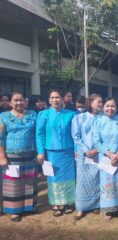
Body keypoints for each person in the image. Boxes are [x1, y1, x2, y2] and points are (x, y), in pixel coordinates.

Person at [36, 89, 76, 217]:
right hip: (51, 152)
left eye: (57, 97)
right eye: (52, 97)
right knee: (54, 178)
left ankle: (69, 202)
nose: (55, 100)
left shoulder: (71, 114)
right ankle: (56, 204)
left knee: (69, 177)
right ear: (48, 100)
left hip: (68, 152)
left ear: (62, 99)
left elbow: (75, 135)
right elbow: (40, 134)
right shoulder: (43, 114)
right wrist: (41, 152)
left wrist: (76, 150)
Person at [0, 92, 38, 222]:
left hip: (30, 154)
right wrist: (2, 157)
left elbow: (38, 133)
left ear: (25, 101)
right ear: (10, 102)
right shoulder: (4, 116)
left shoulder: (32, 114)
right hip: (12, 156)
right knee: (13, 183)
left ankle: (29, 207)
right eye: (15, 100)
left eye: (21, 100)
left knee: (29, 182)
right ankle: (14, 211)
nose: (18, 103)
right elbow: (0, 138)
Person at [71, 94, 103, 220]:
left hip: (98, 153)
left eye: (101, 102)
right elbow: (76, 136)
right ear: (90, 103)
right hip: (83, 154)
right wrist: (85, 150)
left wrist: (97, 149)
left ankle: (96, 205)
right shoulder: (79, 118)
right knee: (82, 181)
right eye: (98, 102)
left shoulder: (103, 118)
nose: (101, 104)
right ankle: (80, 207)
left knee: (96, 179)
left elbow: (105, 136)